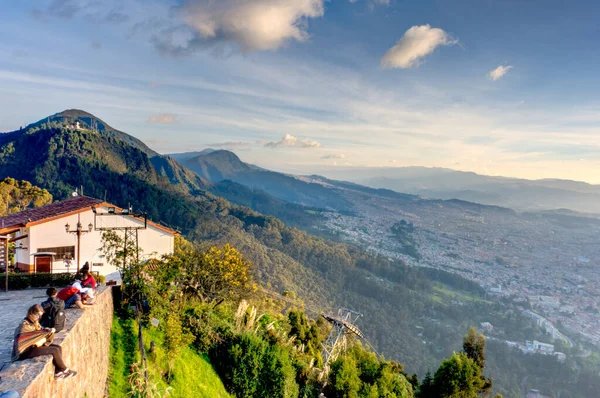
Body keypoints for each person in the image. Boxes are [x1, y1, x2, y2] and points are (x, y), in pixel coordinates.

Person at [11, 304, 77, 380]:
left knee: (58, 347)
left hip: (33, 346)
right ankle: (65, 370)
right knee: (54, 350)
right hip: (25, 351)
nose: (39, 317)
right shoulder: (25, 324)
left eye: (40, 315)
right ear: (32, 313)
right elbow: (22, 339)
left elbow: (39, 331)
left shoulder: (35, 322)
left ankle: (58, 372)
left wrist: (47, 330)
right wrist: (42, 333)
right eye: (38, 315)